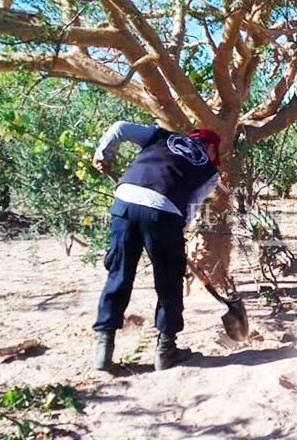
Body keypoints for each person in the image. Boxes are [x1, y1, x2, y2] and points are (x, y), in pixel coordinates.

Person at [90, 121, 221, 371]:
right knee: (169, 281)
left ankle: (104, 350)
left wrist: (103, 154)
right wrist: (174, 236)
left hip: (125, 202)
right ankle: (166, 350)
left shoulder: (160, 136)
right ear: (211, 149)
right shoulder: (209, 172)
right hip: (165, 214)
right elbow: (191, 208)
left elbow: (119, 128)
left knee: (118, 274)